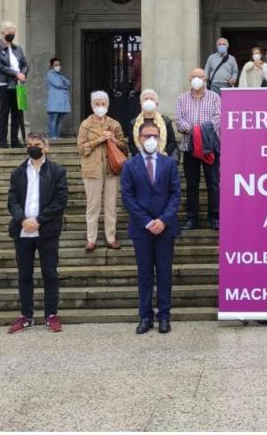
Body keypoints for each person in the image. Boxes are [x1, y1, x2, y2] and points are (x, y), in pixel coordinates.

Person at [121, 121, 182, 334]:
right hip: (141, 229)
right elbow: (127, 197)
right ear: (139, 139)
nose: (151, 140)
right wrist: (147, 222)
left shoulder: (169, 163)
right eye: (147, 136)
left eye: (155, 136)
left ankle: (164, 316)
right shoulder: (130, 165)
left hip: (166, 228)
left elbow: (176, 194)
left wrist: (163, 220)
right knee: (145, 274)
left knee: (164, 273)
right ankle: (145, 316)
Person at [6, 133, 68, 334]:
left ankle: (51, 314)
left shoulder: (57, 171)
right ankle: (27, 316)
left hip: (46, 230)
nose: (33, 148)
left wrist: (39, 220)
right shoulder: (18, 172)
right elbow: (12, 200)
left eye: (37, 144)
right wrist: (23, 220)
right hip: (23, 231)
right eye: (30, 145)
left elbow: (60, 200)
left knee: (50, 273)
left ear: (46, 146)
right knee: (24, 274)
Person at [77, 91, 128, 251]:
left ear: (108, 105)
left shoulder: (114, 124)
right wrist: (99, 140)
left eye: (103, 104)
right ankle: (91, 238)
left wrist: (113, 140)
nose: (100, 107)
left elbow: (125, 148)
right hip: (92, 170)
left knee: (111, 204)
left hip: (112, 169)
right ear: (92, 105)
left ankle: (110, 237)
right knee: (93, 205)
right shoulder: (86, 124)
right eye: (97, 104)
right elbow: (81, 148)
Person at [175, 68, 222, 230]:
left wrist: (200, 131)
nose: (196, 79)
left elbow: (218, 119)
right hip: (190, 146)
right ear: (189, 79)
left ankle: (215, 217)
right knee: (192, 183)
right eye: (193, 76)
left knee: (213, 182)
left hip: (210, 146)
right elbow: (179, 120)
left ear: (205, 79)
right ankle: (192, 218)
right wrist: (193, 131)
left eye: (199, 76)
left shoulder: (214, 97)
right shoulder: (182, 98)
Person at [0, 20, 28, 148]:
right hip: (4, 84)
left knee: (17, 113)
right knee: (4, 112)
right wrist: (16, 74)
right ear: (3, 33)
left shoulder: (18, 49)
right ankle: (2, 141)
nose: (11, 35)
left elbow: (25, 64)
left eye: (13, 33)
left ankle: (15, 140)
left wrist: (23, 74)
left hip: (18, 84)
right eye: (9, 32)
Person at [129, 89, 178, 158]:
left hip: (162, 158)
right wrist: (140, 156)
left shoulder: (165, 121)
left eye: (152, 99)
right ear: (141, 103)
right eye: (146, 99)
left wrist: (165, 153)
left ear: (157, 103)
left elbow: (172, 142)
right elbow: (131, 144)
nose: (149, 101)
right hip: (141, 160)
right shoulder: (134, 123)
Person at [45, 57, 71, 140]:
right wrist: (64, 85)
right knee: (53, 119)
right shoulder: (50, 74)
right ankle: (52, 136)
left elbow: (68, 82)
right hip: (54, 101)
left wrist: (64, 83)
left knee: (59, 120)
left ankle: (57, 135)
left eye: (59, 65)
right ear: (52, 65)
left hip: (62, 101)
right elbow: (58, 84)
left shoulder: (60, 74)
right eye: (56, 65)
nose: (58, 66)